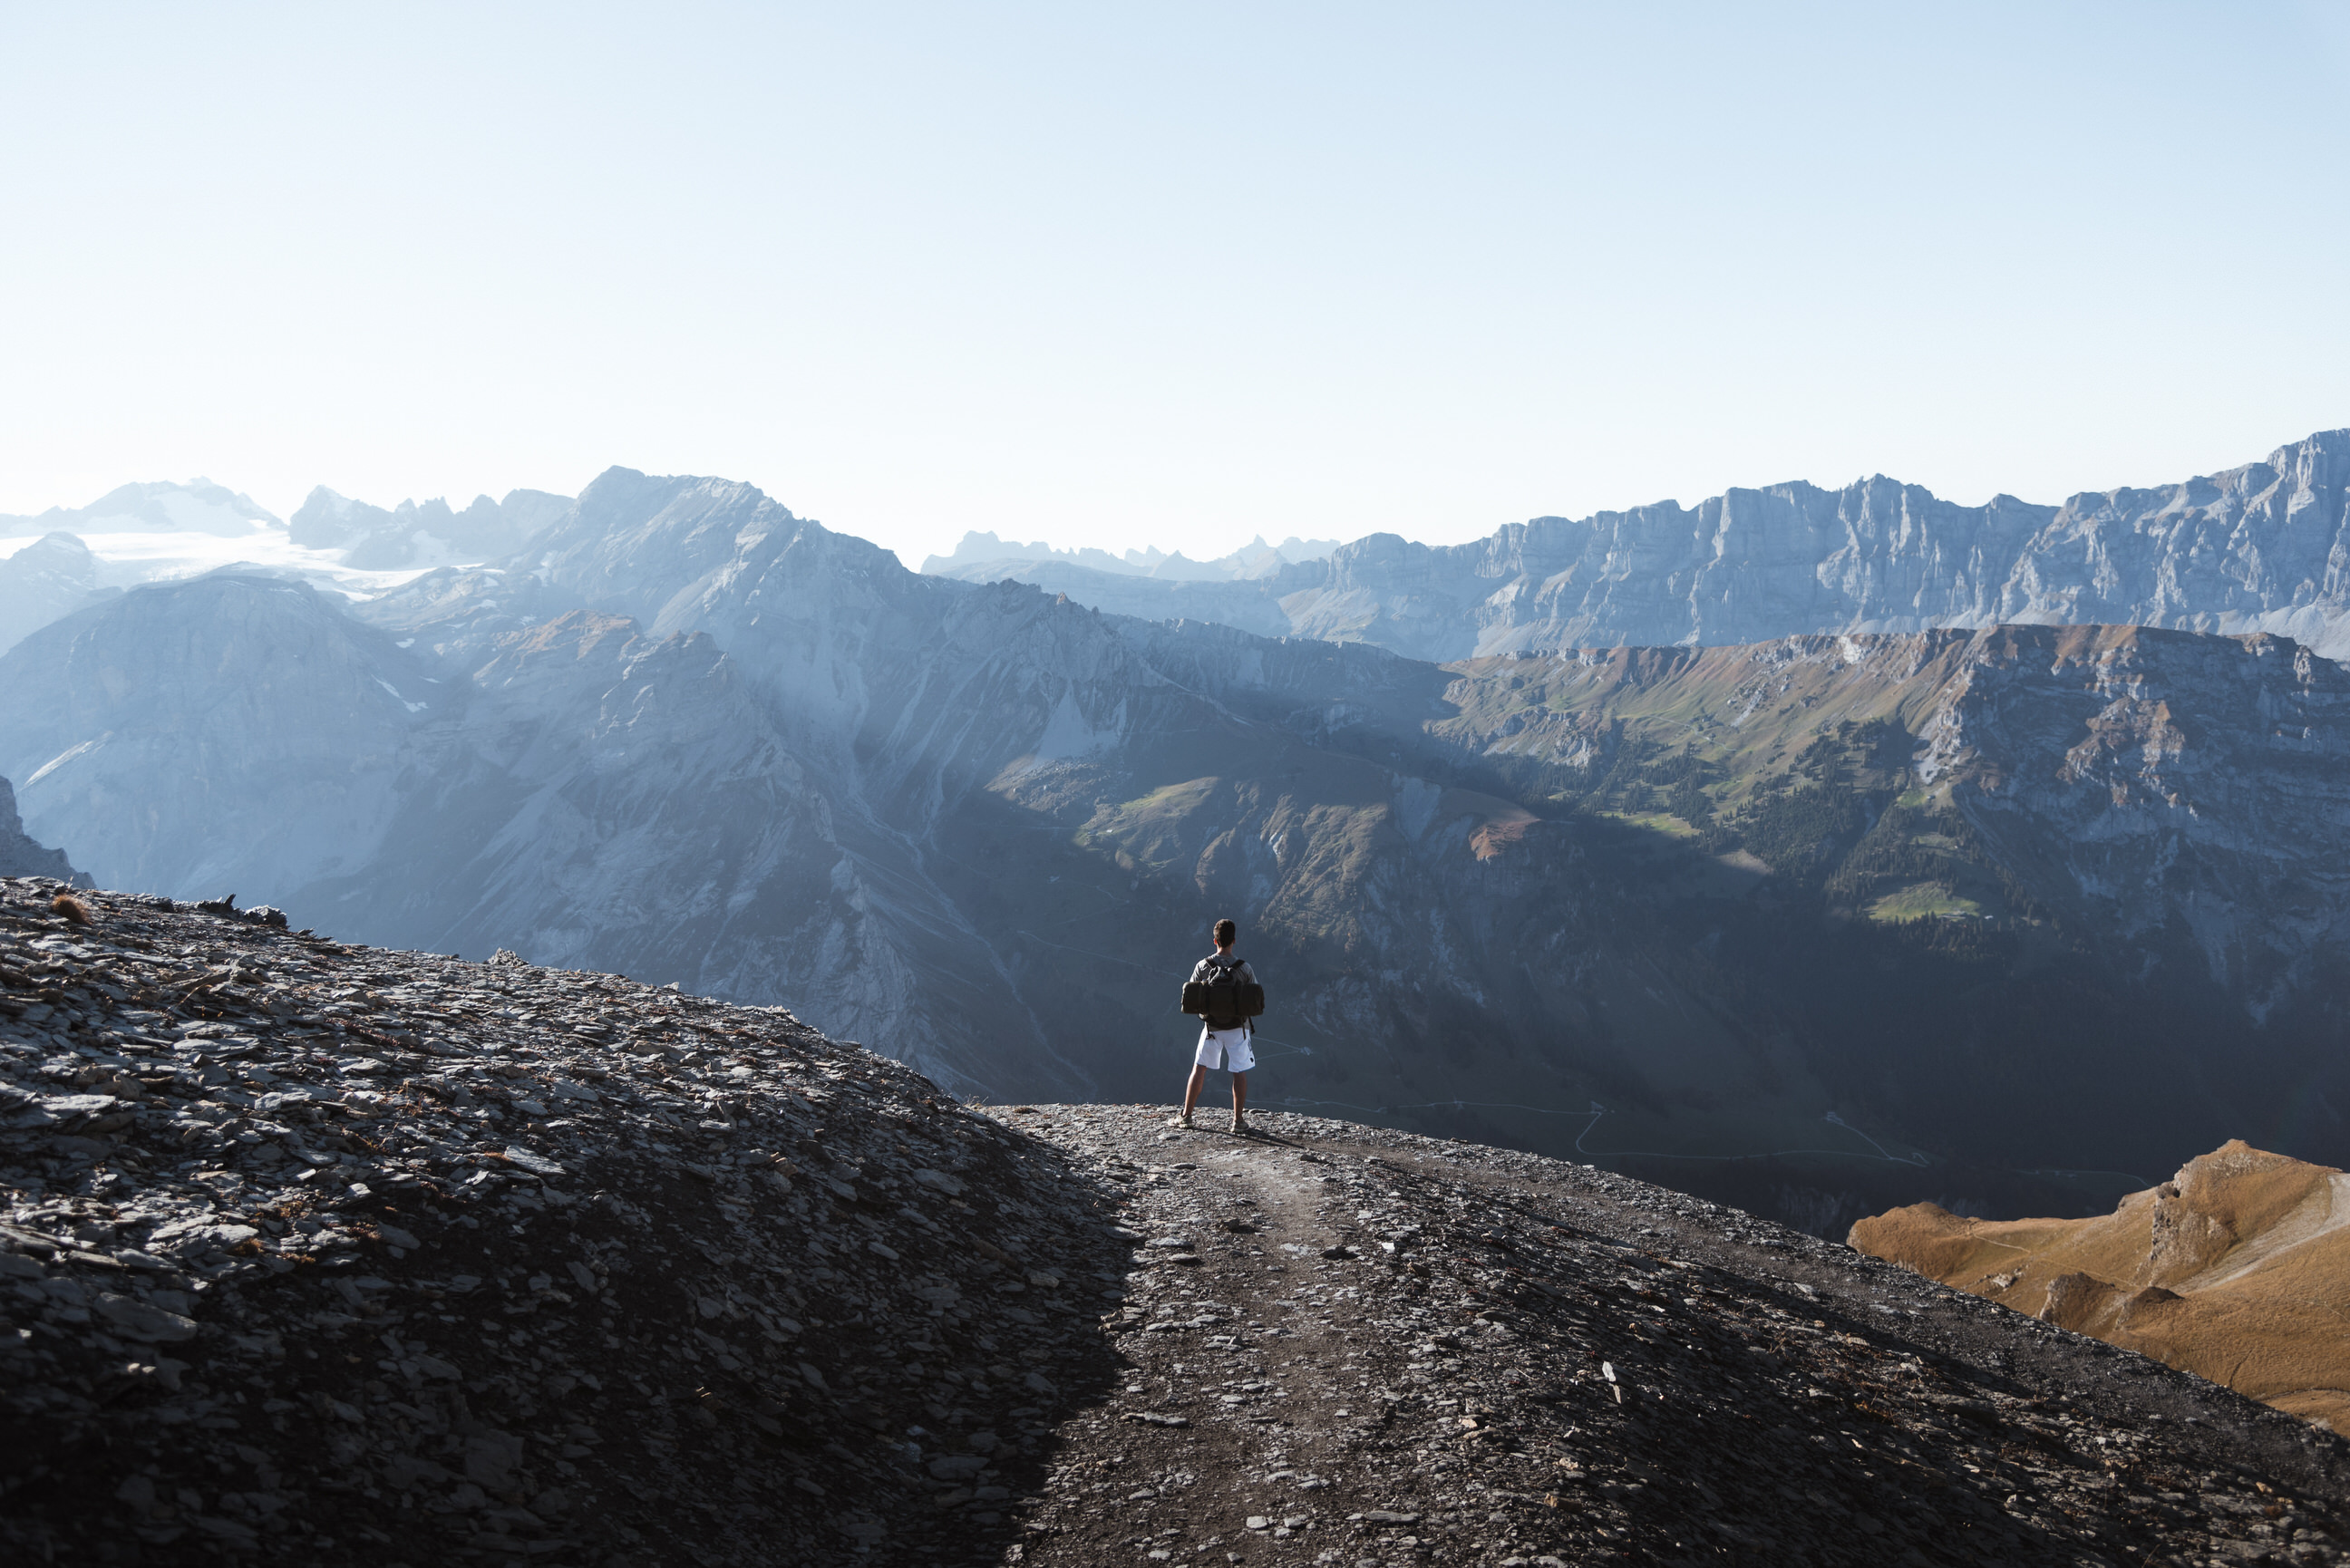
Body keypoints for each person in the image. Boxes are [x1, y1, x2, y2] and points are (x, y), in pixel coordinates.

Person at [1170, 917, 1258, 1134]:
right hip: (1239, 1027)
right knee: (1239, 1071)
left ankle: (1187, 1116)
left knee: (1199, 1068)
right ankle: (1238, 1121)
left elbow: (1191, 998)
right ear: (1234, 941)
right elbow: (1254, 999)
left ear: (1214, 940)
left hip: (1211, 1028)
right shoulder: (1244, 968)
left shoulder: (1203, 965)